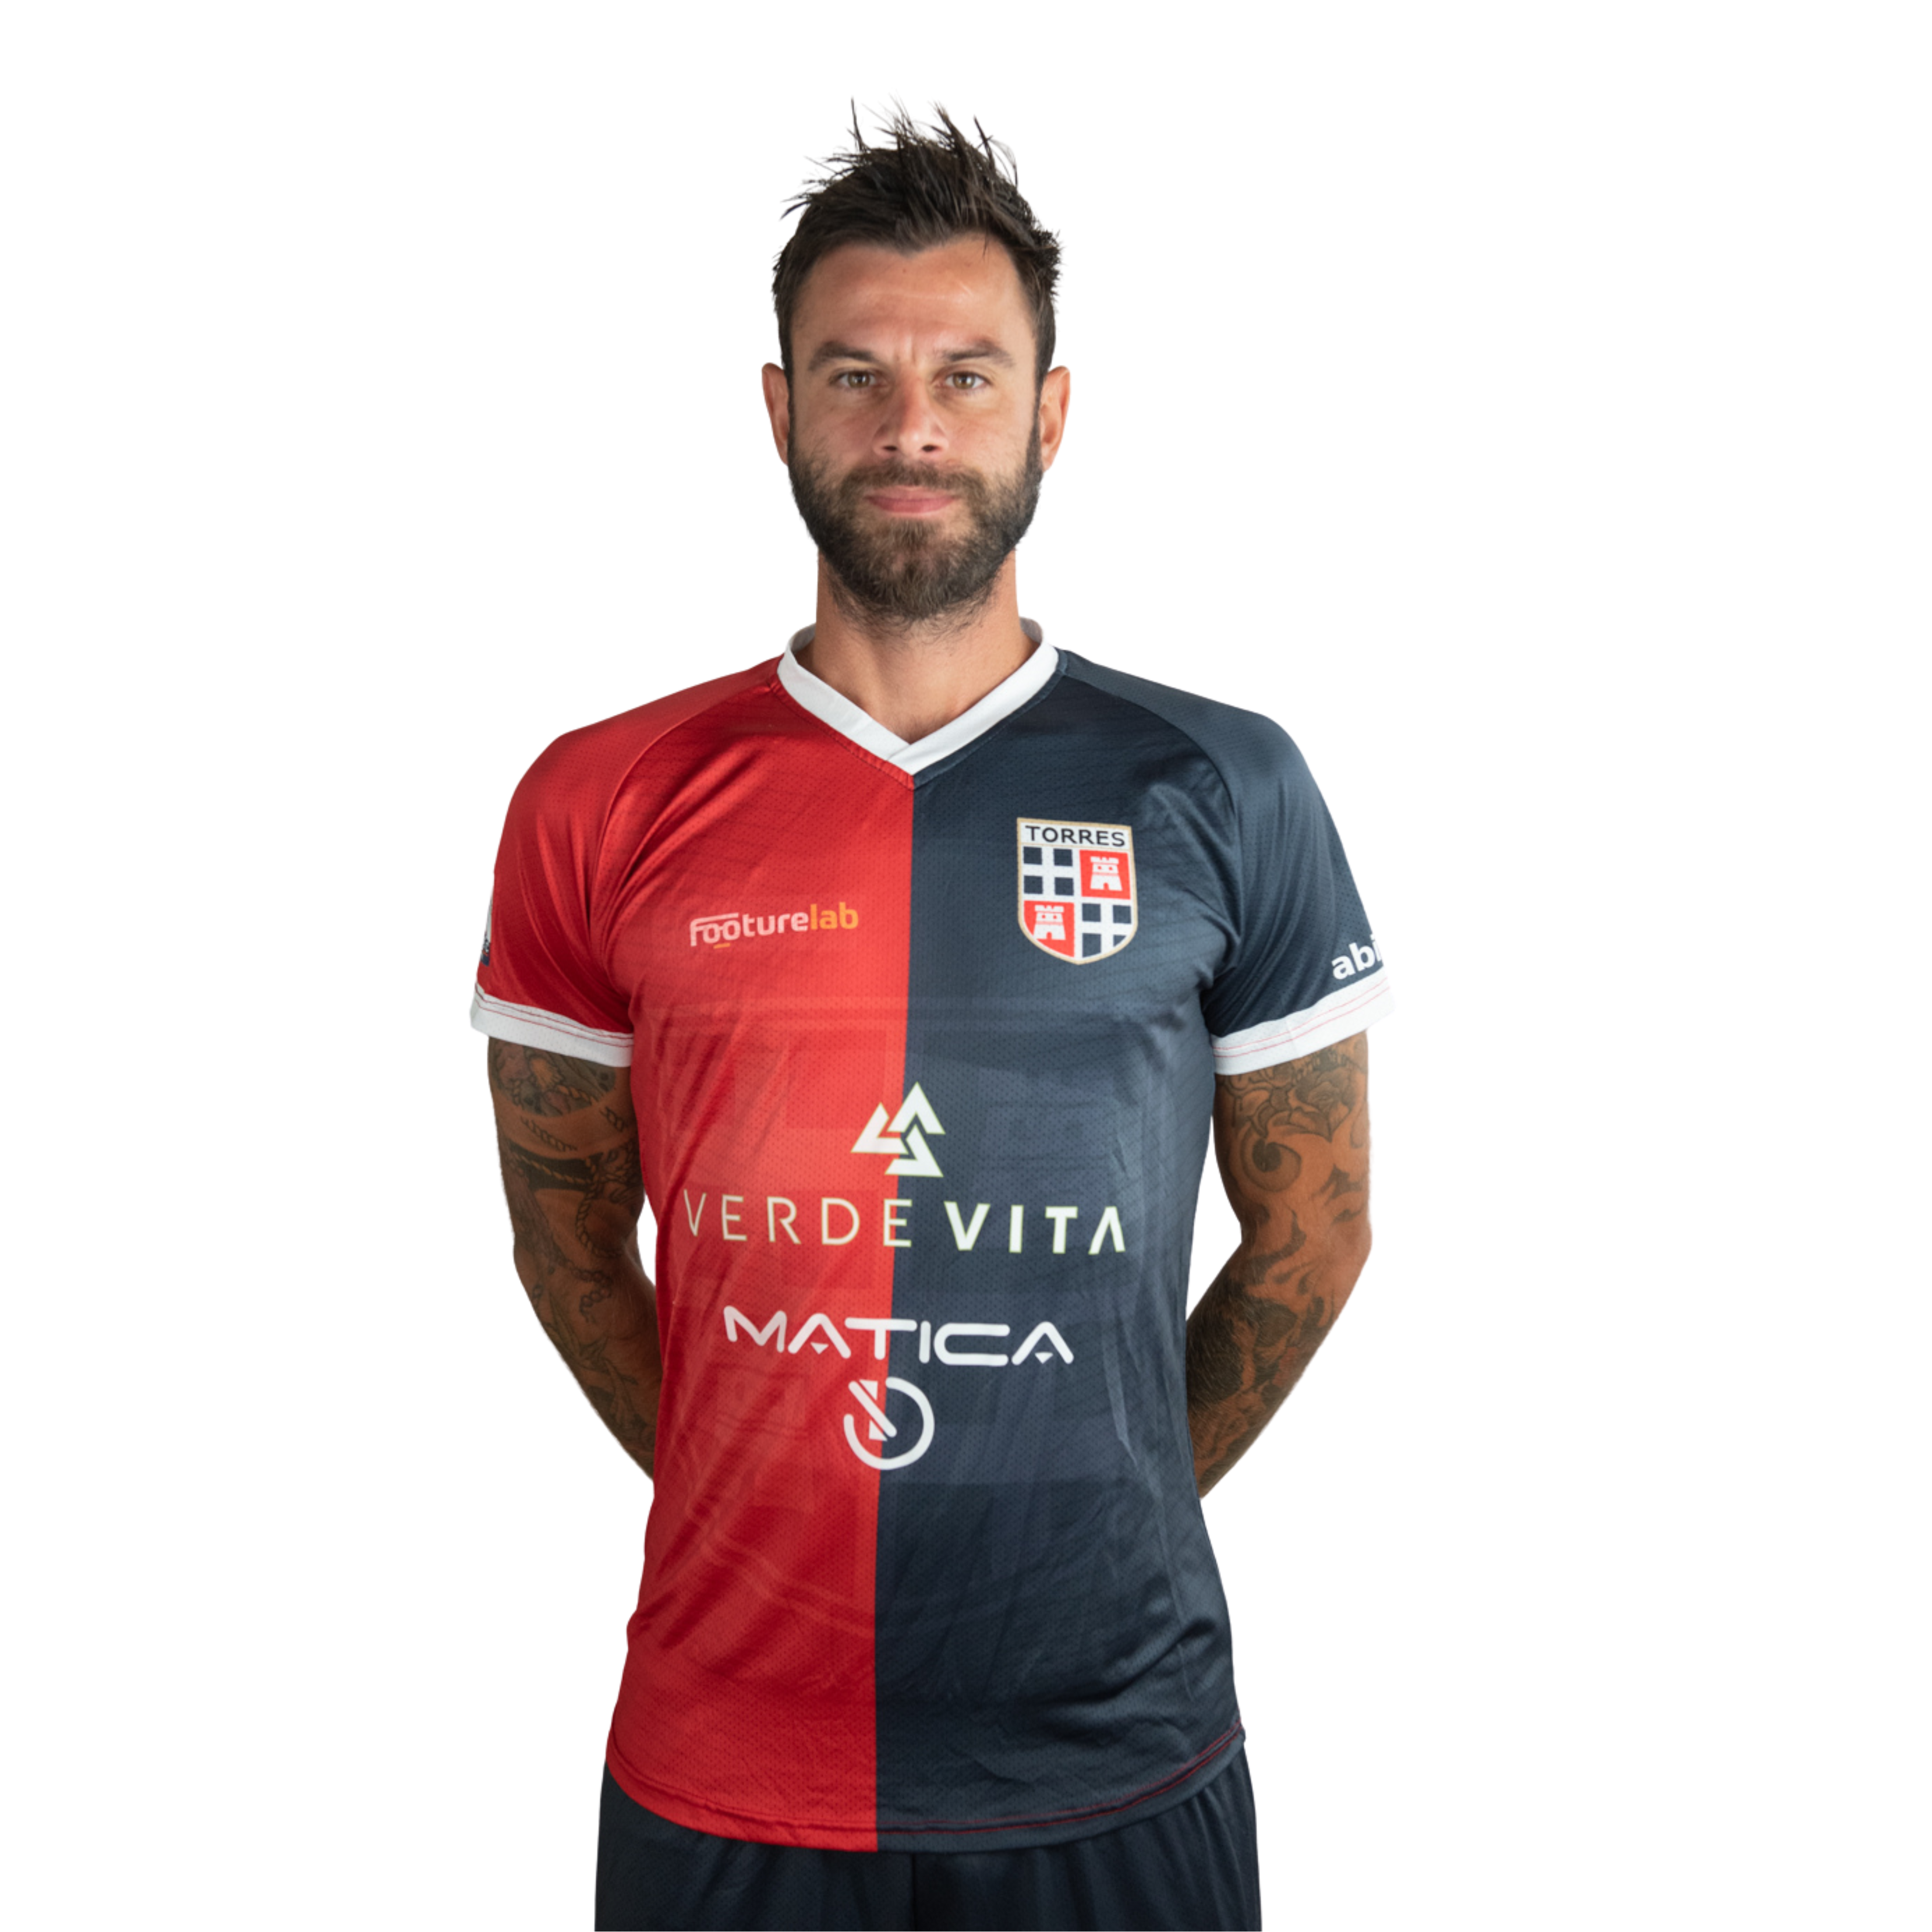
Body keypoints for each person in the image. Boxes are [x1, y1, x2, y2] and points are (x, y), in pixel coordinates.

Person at [474, 90, 1394, 1932]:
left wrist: (1121, 1502)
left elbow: (1320, 1227)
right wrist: (752, 1498)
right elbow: (566, 1238)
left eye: (967, 377)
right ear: (776, 411)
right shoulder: (597, 794)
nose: (910, 425)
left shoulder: (1227, 781)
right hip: (723, 1764)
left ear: (1050, 416)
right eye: (856, 375)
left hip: (1119, 1751)